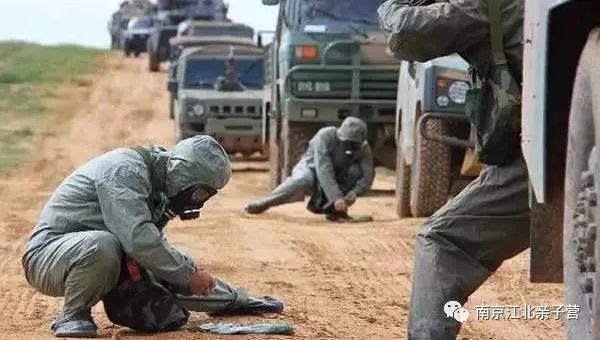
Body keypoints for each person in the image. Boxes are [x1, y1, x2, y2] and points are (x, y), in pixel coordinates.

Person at [378, 0, 527, 339]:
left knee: (442, 239)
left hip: (558, 145)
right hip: (566, 137)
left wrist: (391, 7)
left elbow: (409, 35)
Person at [22, 136, 282, 338]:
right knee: (105, 246)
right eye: (200, 193)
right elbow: (139, 240)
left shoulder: (158, 187)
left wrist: (235, 299)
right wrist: (189, 274)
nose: (200, 201)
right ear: (184, 177)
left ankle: (233, 300)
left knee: (156, 265)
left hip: (90, 253)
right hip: (48, 257)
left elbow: (158, 258)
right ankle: (71, 316)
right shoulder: (124, 171)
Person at [244, 117, 375, 220]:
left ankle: (334, 210)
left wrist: (355, 192)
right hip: (311, 167)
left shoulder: (363, 148)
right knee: (301, 179)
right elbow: (323, 167)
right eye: (348, 142)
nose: (350, 146)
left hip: (338, 173)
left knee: (355, 172)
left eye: (354, 143)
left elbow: (367, 175)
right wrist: (336, 197)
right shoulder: (325, 136)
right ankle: (264, 203)